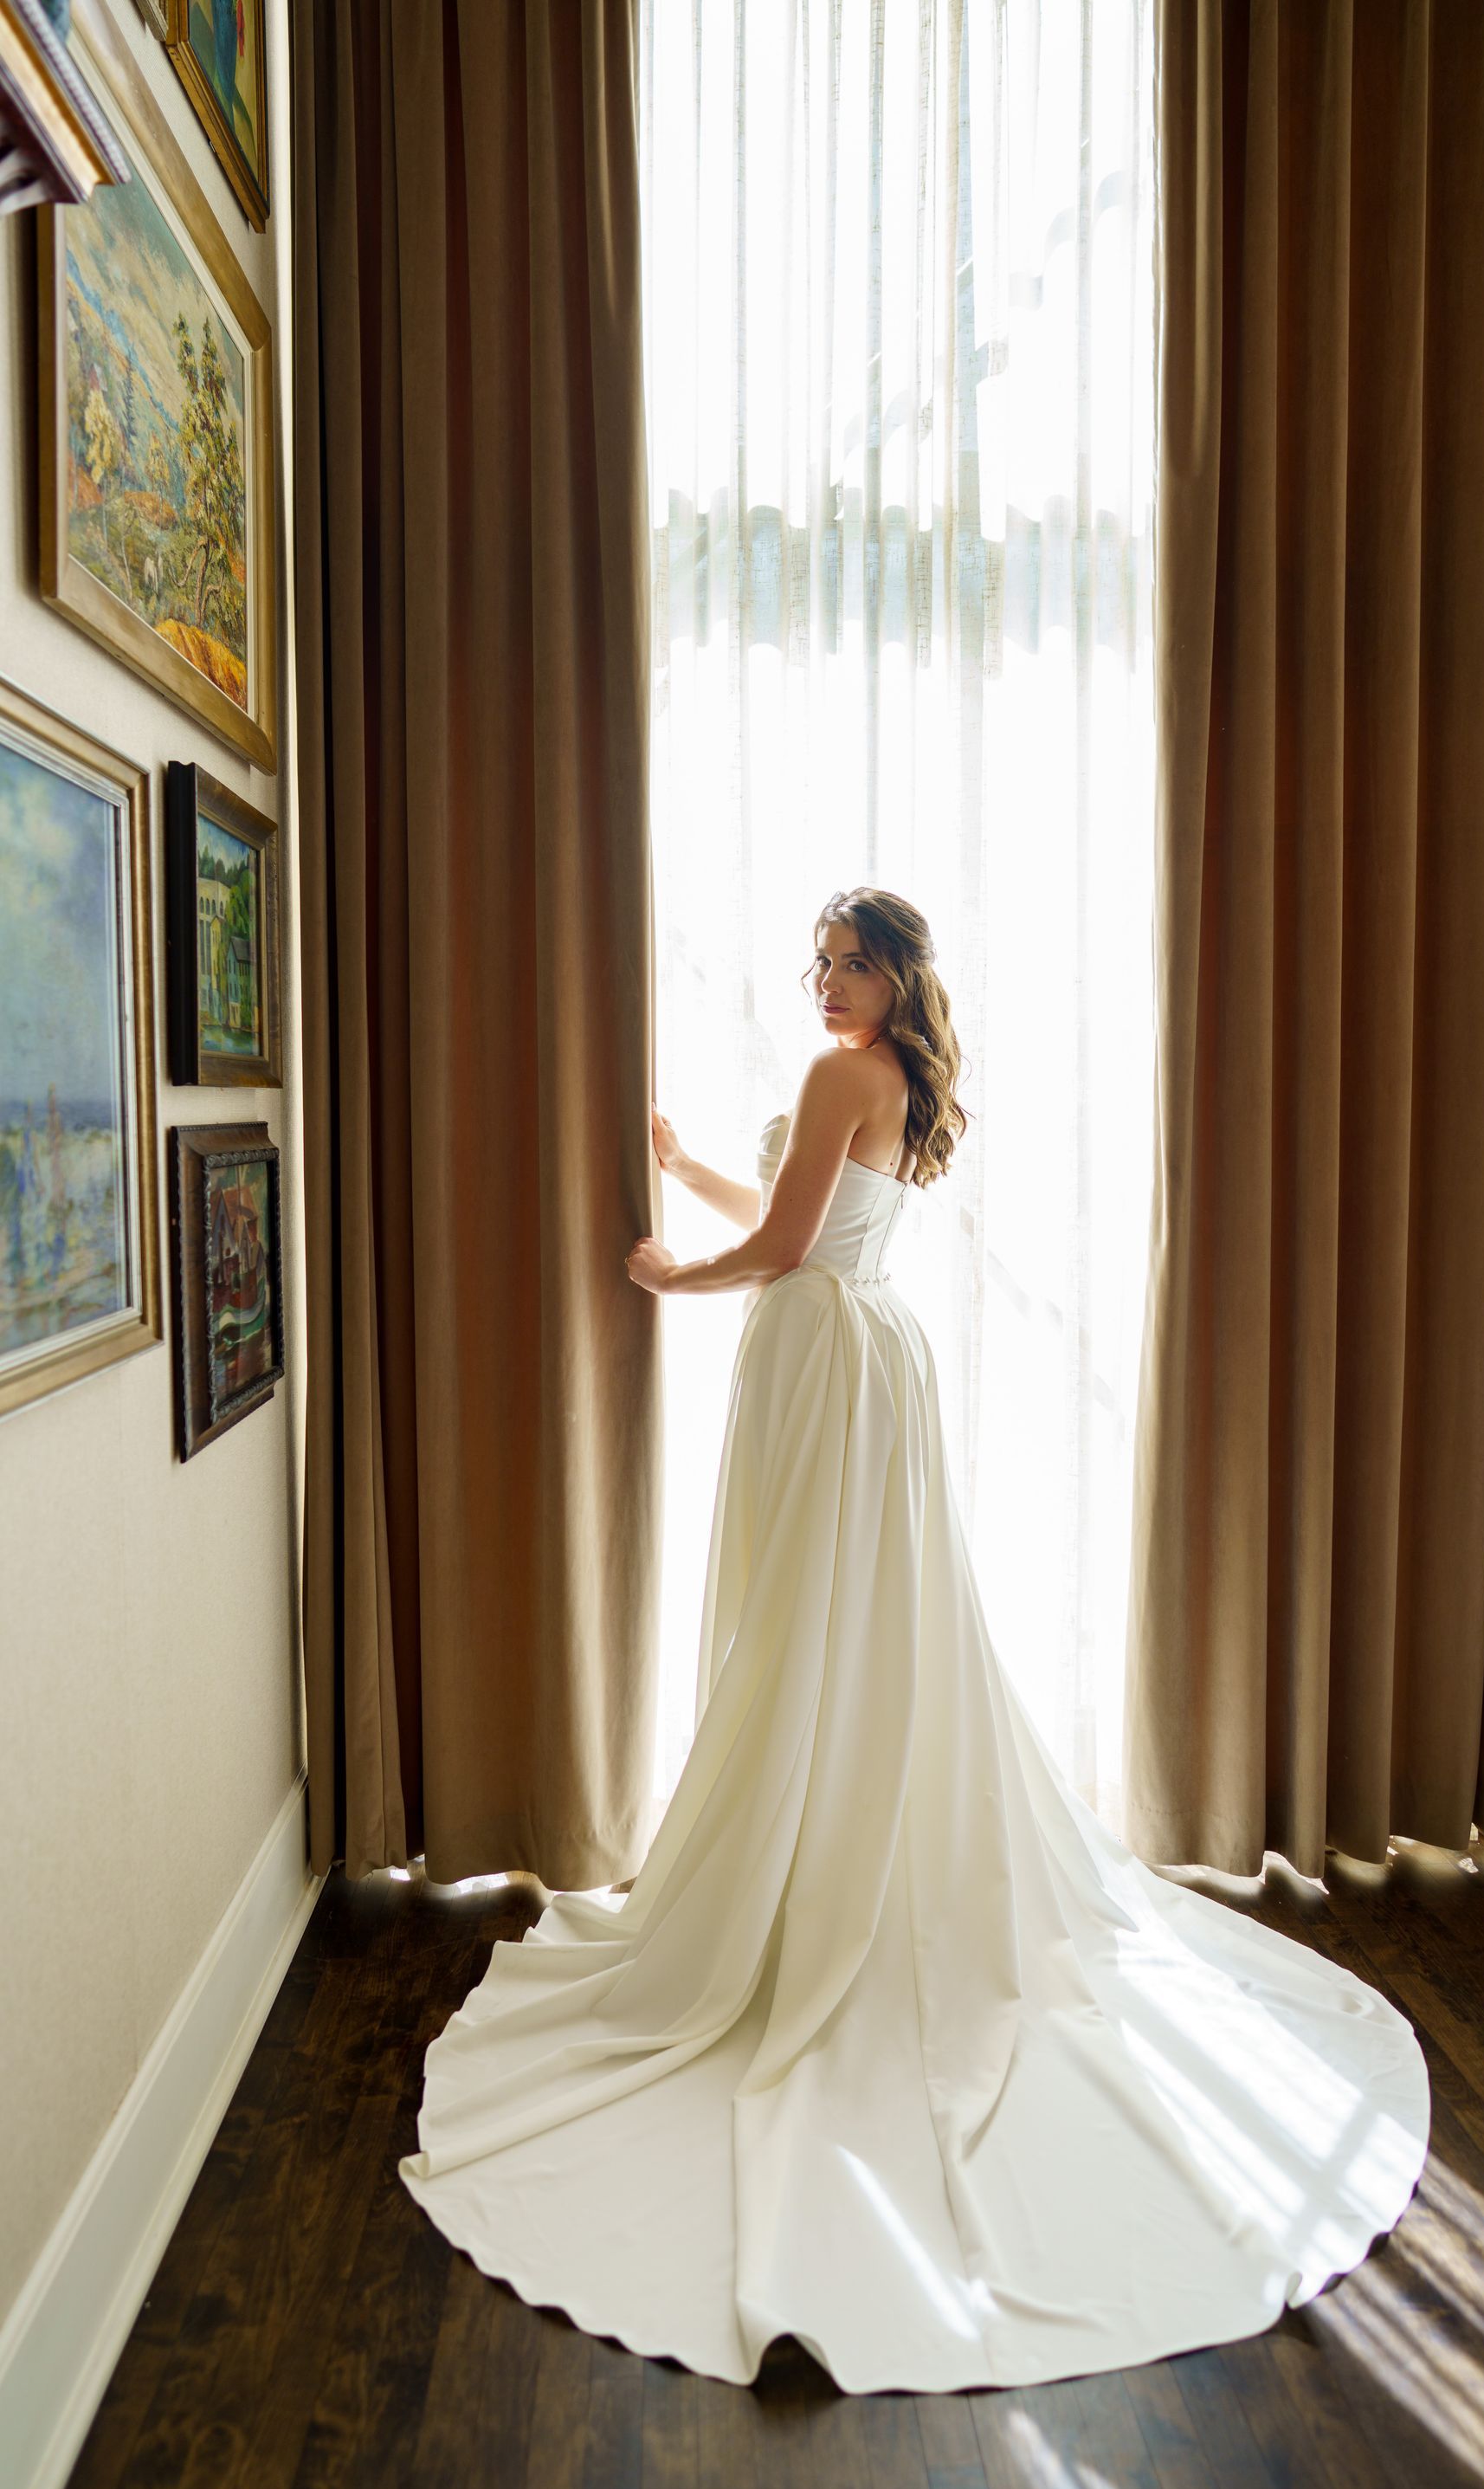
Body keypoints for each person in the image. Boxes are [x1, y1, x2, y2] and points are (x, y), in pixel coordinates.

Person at [397, 886, 1429, 2394]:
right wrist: (685, 1166)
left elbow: (782, 1249)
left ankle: (807, 1889)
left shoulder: (841, 1074)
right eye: (816, 961)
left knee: (806, 1628)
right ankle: (831, 1851)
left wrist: (666, 1273)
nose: (824, 983)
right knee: (845, 1629)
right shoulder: (884, 1079)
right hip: (866, 1356)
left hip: (821, 1354)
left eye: (849, 961)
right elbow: (819, 1220)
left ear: (896, 972)